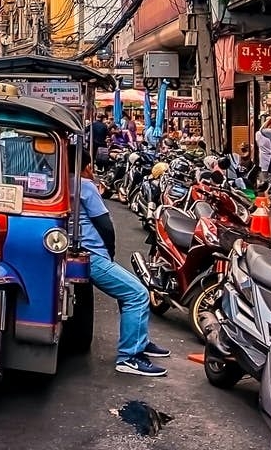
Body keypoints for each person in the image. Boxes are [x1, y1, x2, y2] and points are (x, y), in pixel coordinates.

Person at [78, 152, 169, 377]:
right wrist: (109, 252)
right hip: (93, 256)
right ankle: (130, 357)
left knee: (129, 288)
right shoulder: (85, 186)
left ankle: (139, 339)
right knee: (138, 294)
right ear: (87, 165)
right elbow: (105, 225)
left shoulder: (64, 184)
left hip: (86, 253)